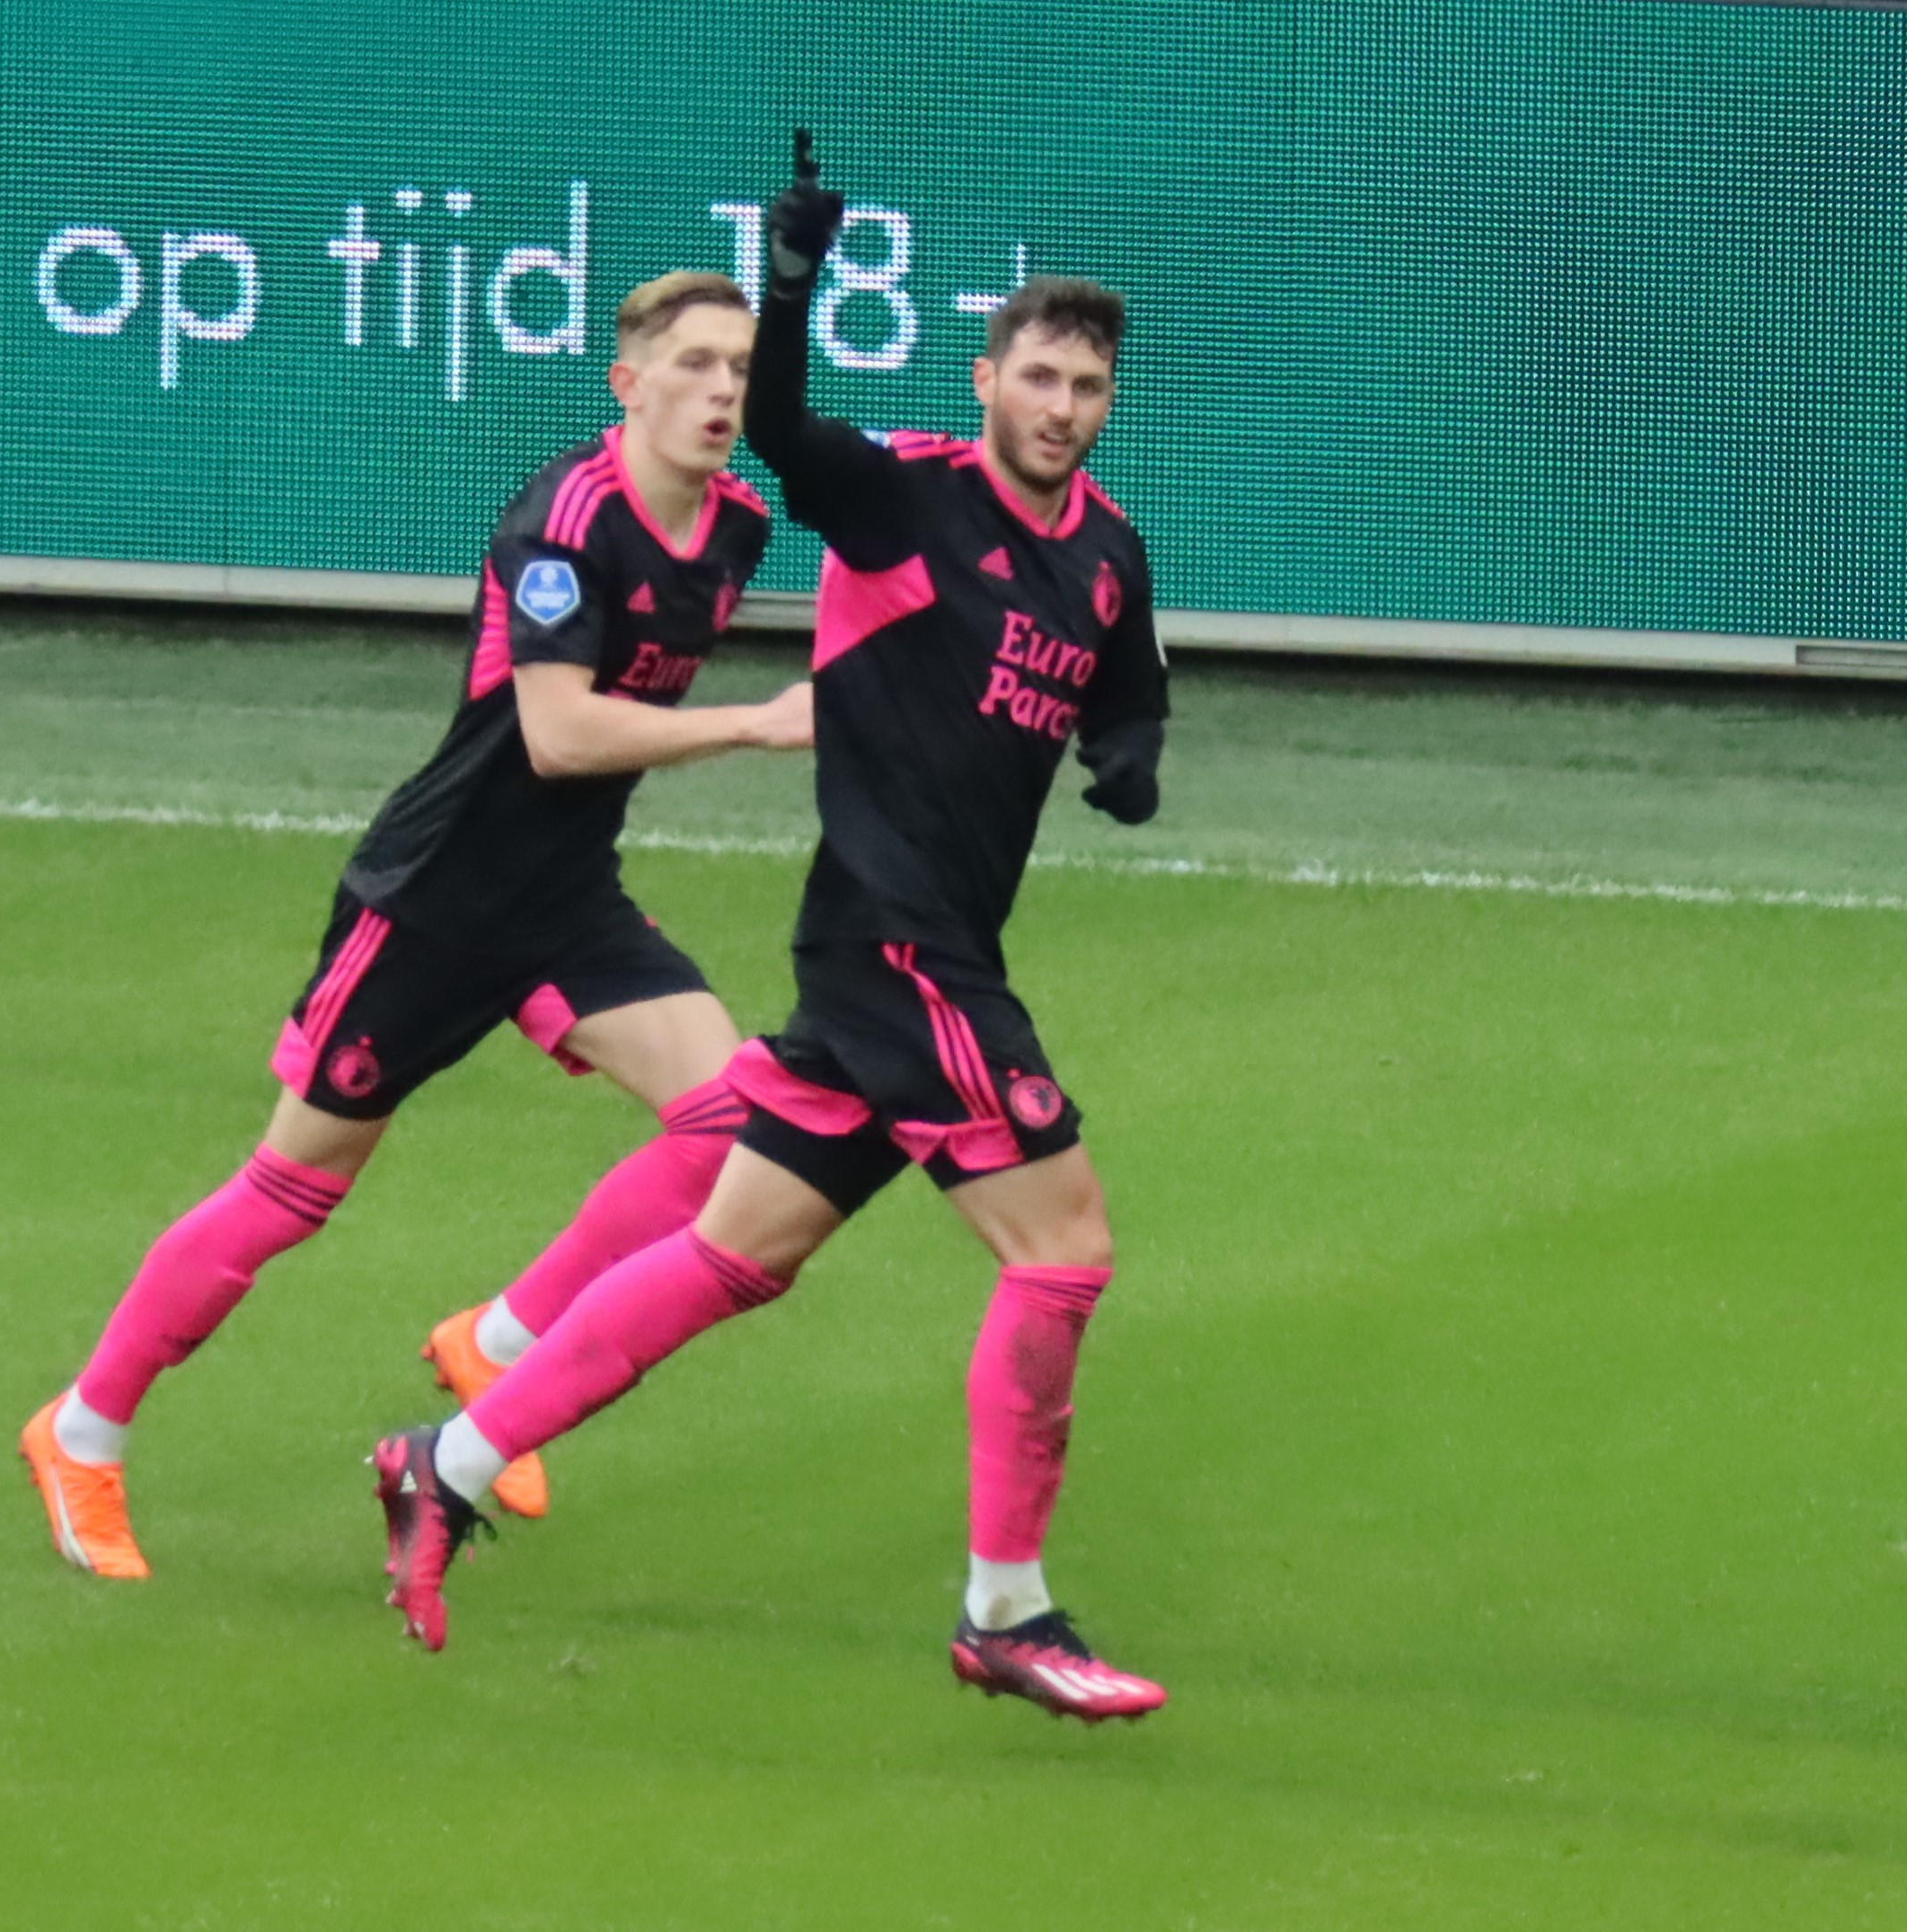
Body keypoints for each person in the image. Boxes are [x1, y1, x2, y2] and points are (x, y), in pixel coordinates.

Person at [373, 135, 1171, 1722]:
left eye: (1085, 386)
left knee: (738, 1255)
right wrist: (789, 273)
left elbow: (1127, 674)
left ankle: (442, 1462)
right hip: (893, 946)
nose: (1060, 408)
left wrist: (1125, 756)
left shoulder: (1106, 550)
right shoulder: (902, 501)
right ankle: (1003, 1612)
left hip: (924, 948)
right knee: (1063, 1252)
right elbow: (790, 425)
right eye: (1037, 378)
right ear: (988, 375)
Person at [21, 271, 812, 1579]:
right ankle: (83, 1431)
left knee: (736, 1122)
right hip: (434, 903)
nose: (722, 389)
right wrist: (753, 722)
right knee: (290, 1194)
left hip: (566, 902)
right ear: (627, 385)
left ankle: (495, 1346)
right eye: (692, 364)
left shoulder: (737, 527)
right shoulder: (560, 528)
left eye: (739, 366)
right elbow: (556, 736)